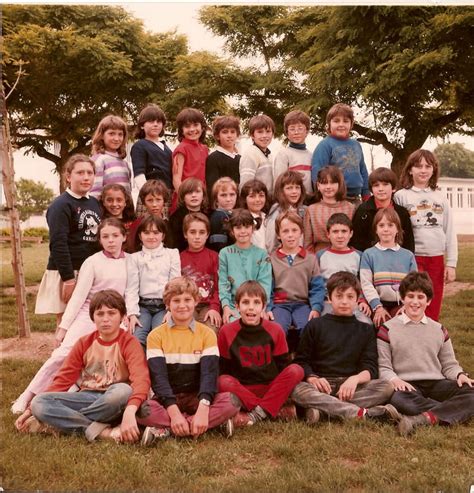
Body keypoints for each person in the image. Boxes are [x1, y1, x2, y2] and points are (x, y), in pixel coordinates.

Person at [12, 218, 129, 418]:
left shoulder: (130, 261)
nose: (111, 241)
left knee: (110, 355)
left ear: (124, 237)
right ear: (99, 240)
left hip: (116, 315)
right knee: (62, 354)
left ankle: (78, 394)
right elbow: (78, 297)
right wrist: (64, 327)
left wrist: (127, 316)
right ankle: (28, 395)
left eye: (115, 236)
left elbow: (130, 292)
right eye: (105, 237)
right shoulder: (92, 262)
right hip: (88, 313)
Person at [23, 290, 150, 443]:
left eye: (112, 313)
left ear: (123, 317)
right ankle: (104, 432)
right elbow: (62, 380)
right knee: (40, 402)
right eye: (100, 314)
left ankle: (60, 422)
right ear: (93, 317)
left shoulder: (129, 343)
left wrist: (130, 410)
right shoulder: (84, 342)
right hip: (87, 396)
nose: (105, 319)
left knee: (124, 390)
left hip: (115, 400)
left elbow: (141, 380)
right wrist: (30, 410)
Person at [137, 277, 240, 445]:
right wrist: (174, 412)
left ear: (196, 302)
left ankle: (166, 429)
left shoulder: (207, 333)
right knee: (143, 411)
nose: (182, 305)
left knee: (231, 401)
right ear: (167, 305)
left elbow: (209, 375)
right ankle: (206, 425)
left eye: (187, 300)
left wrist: (203, 407)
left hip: (196, 397)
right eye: (176, 301)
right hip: (168, 399)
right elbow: (159, 379)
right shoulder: (156, 335)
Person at [291, 272, 397, 424]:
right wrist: (312, 377)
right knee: (297, 389)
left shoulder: (365, 330)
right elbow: (301, 361)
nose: (344, 302)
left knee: (386, 387)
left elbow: (370, 367)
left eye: (349, 297)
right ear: (329, 298)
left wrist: (355, 379)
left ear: (357, 299)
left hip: (352, 387)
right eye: (339, 296)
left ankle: (323, 412)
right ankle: (362, 413)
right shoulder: (315, 325)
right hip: (321, 385)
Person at [377, 271, 474, 436]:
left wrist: (459, 375)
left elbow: (449, 364)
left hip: (436, 383)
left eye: (420, 297)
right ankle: (449, 410)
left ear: (428, 301)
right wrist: (395, 379)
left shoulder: (439, 329)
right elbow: (384, 367)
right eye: (410, 296)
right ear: (402, 299)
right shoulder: (387, 329)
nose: (415, 302)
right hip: (407, 386)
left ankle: (421, 419)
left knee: (471, 392)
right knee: (399, 400)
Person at [218, 281, 304, 426]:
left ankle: (254, 414)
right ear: (237, 306)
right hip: (243, 391)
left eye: (256, 302)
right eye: (245, 302)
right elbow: (224, 368)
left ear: (263, 307)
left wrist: (280, 390)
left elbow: (283, 366)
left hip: (271, 388)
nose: (251, 307)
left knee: (296, 370)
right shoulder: (226, 331)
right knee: (222, 380)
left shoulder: (276, 330)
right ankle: (275, 411)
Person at [35, 154, 101, 330]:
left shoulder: (94, 203)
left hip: (89, 269)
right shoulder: (61, 205)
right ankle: (62, 357)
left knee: (89, 321)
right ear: (69, 176)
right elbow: (58, 244)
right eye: (80, 172)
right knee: (67, 322)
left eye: (90, 172)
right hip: (68, 271)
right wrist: (69, 279)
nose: (86, 177)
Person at [394, 149, 457, 321]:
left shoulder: (441, 197)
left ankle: (431, 339)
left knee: (432, 303)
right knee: (412, 301)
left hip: (436, 257)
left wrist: (451, 264)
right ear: (410, 170)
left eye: (427, 166)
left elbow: (449, 231)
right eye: (418, 166)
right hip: (412, 257)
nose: (423, 170)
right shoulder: (401, 196)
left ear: (433, 170)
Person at [125, 215, 181, 348]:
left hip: (164, 306)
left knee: (160, 337)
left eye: (156, 232)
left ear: (163, 235)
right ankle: (140, 368)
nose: (151, 236)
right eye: (146, 232)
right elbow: (131, 288)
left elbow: (175, 285)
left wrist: (171, 310)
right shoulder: (134, 258)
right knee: (137, 338)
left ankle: (156, 368)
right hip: (142, 307)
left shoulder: (172, 254)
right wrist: (132, 314)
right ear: (140, 236)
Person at [267, 212, 324, 337]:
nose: (290, 235)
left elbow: (317, 287)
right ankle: (282, 356)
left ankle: (302, 356)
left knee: (308, 328)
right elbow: (268, 288)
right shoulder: (272, 259)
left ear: (301, 232)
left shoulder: (311, 259)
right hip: (280, 305)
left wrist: (316, 307)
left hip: (302, 304)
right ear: (278, 235)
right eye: (285, 231)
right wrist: (268, 308)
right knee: (277, 328)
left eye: (294, 230)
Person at [360, 208, 417, 327]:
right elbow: (366, 283)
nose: (386, 229)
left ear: (397, 229)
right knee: (381, 322)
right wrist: (378, 307)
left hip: (402, 304)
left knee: (404, 322)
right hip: (378, 303)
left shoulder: (408, 256)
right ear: (376, 229)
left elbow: (414, 285)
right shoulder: (369, 254)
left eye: (390, 225)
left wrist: (406, 306)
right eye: (381, 225)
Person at [218, 209, 272, 324]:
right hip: (235, 305)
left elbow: (265, 283)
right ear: (232, 230)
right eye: (238, 227)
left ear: (252, 228)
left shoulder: (262, 254)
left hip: (257, 304)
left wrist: (262, 307)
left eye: (246, 227)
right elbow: (223, 283)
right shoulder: (225, 253)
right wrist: (226, 307)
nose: (243, 231)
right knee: (232, 325)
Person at [317, 213, 372, 324]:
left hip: (353, 302)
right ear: (328, 234)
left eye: (344, 231)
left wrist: (362, 301)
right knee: (326, 324)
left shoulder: (359, 256)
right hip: (329, 302)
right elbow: (317, 283)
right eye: (335, 232)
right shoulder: (320, 255)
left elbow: (363, 282)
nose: (340, 236)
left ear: (351, 233)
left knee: (366, 323)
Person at [311, 103, 369, 204]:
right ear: (329, 124)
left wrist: (366, 193)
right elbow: (317, 173)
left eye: (345, 121)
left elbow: (363, 171)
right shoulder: (325, 145)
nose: (341, 124)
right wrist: (321, 197)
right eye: (336, 121)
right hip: (334, 199)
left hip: (356, 199)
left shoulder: (356, 145)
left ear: (351, 124)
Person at [350, 167, 414, 252]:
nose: (381, 189)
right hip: (369, 261)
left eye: (385, 184)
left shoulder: (402, 213)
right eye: (376, 185)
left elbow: (408, 243)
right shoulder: (363, 211)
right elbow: (356, 242)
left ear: (393, 188)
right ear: (371, 189)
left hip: (397, 261)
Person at [180, 213, 222, 333]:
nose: (197, 237)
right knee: (185, 329)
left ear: (207, 235)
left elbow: (219, 287)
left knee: (211, 329)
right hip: (186, 303)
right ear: (185, 234)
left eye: (202, 232)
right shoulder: (179, 258)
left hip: (208, 304)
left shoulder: (214, 257)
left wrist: (214, 308)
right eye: (192, 232)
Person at [304, 165, 354, 252]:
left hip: (346, 255)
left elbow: (355, 240)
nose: (328, 187)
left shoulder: (350, 208)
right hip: (319, 257)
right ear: (318, 186)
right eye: (324, 183)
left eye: (332, 183)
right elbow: (307, 243)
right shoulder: (311, 210)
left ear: (339, 184)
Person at [171, 108, 209, 212]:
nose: (192, 129)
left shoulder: (205, 149)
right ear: (181, 130)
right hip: (184, 202)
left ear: (202, 127)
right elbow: (176, 179)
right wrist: (184, 200)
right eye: (187, 126)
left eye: (196, 125)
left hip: (200, 200)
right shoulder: (181, 149)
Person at [130, 104, 173, 192]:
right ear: (142, 125)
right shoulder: (139, 146)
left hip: (168, 194)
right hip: (151, 195)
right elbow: (139, 175)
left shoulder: (167, 149)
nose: (155, 125)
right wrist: (148, 195)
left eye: (159, 122)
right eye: (151, 121)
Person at [90, 115, 131, 199]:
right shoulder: (99, 160)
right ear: (101, 135)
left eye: (120, 134)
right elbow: (94, 192)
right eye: (111, 133)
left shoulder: (124, 163)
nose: (116, 138)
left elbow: (128, 192)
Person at [265, 170, 307, 253]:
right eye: (289, 188)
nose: (294, 191)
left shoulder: (304, 210)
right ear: (281, 191)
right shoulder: (277, 212)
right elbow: (271, 244)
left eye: (297, 187)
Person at [273, 110, 313, 194]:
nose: (296, 132)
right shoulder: (283, 155)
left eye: (300, 128)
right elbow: (279, 182)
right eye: (292, 129)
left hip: (309, 200)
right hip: (290, 200)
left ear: (307, 132)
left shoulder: (311, 155)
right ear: (287, 133)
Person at [125, 179, 169, 253]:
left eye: (158, 200)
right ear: (144, 202)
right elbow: (131, 247)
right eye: (150, 200)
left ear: (164, 201)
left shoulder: (170, 223)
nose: (154, 204)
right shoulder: (138, 224)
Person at [168, 177, 208, 252]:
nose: (194, 195)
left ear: (203, 195)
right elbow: (174, 245)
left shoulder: (210, 214)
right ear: (183, 197)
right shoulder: (176, 218)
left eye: (197, 192)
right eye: (189, 192)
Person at [239, 114, 275, 194]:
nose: (265, 136)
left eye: (268, 131)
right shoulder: (250, 154)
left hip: (267, 202)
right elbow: (246, 185)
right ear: (252, 135)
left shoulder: (269, 155)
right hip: (256, 202)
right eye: (260, 132)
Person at [206, 115, 241, 194]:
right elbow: (212, 187)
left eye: (232, 132)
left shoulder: (240, 158)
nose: (229, 135)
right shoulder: (213, 158)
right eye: (225, 132)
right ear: (217, 136)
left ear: (237, 135)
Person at [208, 177, 238, 252]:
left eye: (232, 194)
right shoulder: (218, 217)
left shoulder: (232, 213)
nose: (228, 199)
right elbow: (219, 247)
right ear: (216, 199)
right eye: (223, 195)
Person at [239, 179, 269, 250]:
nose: (257, 199)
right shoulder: (242, 219)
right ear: (244, 199)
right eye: (252, 196)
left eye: (261, 196)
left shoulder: (267, 218)